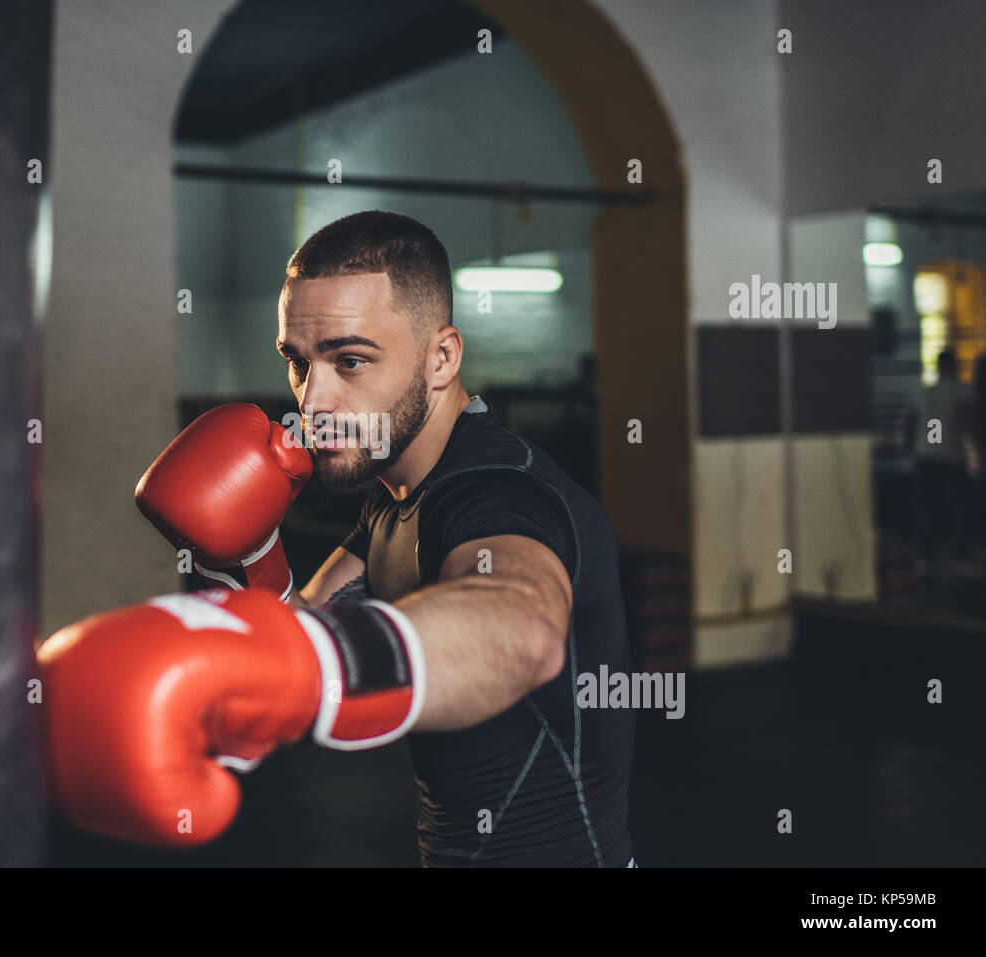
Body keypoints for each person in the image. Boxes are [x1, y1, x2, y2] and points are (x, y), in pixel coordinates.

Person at [39, 211, 637, 867]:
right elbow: (305, 642)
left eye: (349, 361)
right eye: (297, 363)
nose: (312, 401)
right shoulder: (394, 495)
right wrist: (246, 558)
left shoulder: (497, 493)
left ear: (442, 357)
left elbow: (521, 631)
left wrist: (278, 662)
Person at [909, 349, 975, 567]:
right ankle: (959, 554)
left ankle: (925, 555)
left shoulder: (922, 392)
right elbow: (967, 424)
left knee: (927, 505)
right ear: (954, 366)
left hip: (925, 454)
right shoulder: (962, 391)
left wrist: (909, 448)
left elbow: (911, 422)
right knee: (957, 505)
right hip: (950, 456)